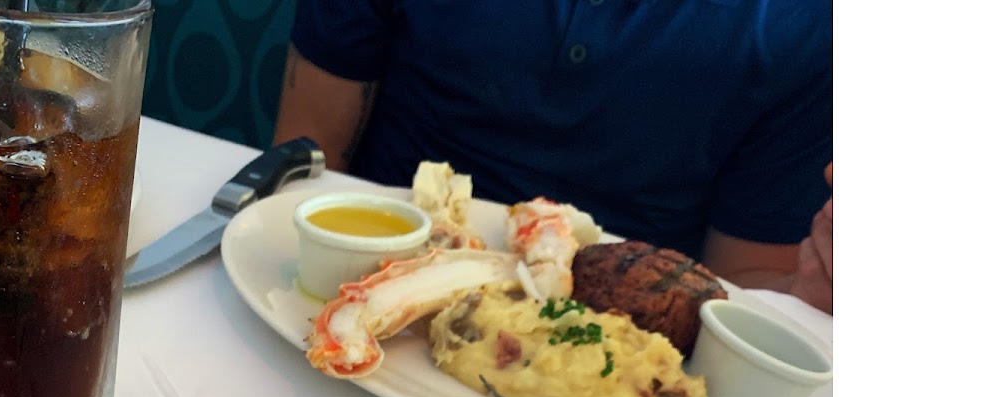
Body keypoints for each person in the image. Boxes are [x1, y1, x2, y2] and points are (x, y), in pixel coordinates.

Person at [272, 0, 833, 313]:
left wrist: (814, 293)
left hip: (616, 380)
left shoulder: (811, 28)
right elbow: (303, 158)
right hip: (369, 295)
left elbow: (747, 286)